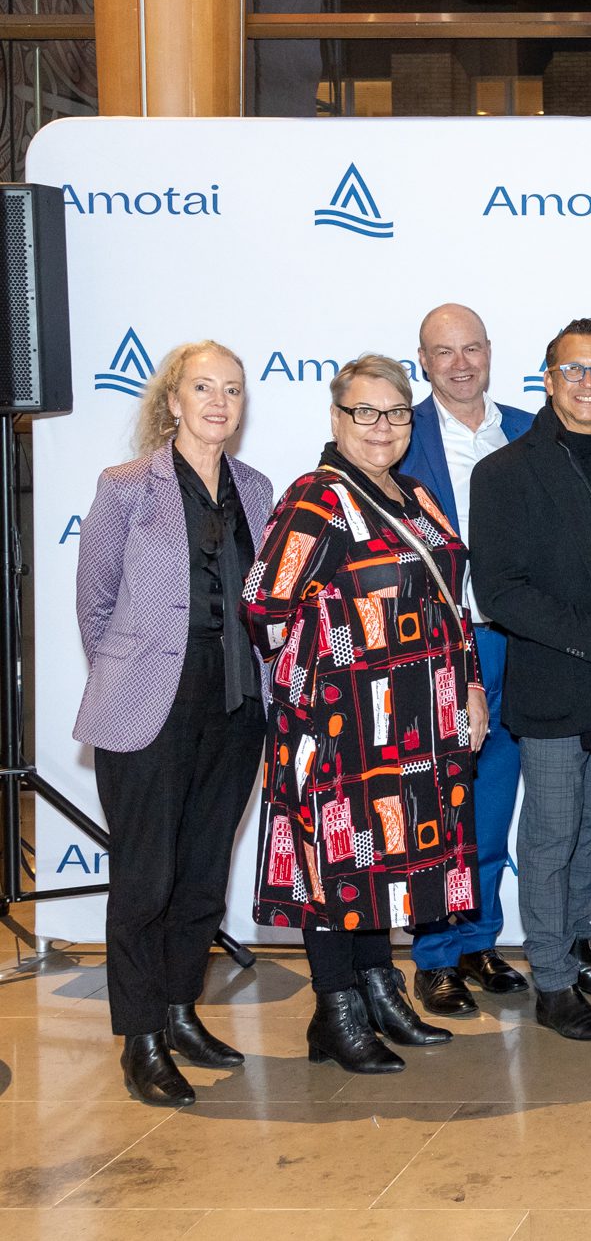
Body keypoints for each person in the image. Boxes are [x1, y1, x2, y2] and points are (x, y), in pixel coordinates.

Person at [244, 354, 487, 1075]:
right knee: (336, 867)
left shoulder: (415, 497)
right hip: (341, 724)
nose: (383, 426)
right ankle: (336, 1008)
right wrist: (331, 676)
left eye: (397, 412)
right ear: (336, 418)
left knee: (381, 863)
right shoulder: (314, 500)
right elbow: (264, 607)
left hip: (414, 725)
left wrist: (467, 688)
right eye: (366, 412)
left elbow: (454, 605)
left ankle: (380, 988)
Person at [75, 342, 276, 1106]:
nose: (219, 401)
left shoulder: (258, 490)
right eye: (203, 387)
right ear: (174, 401)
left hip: (236, 708)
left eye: (232, 389)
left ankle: (181, 1010)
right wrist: (129, 681)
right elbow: (95, 606)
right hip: (148, 713)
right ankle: (142, 1039)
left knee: (200, 877)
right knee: (145, 880)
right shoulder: (125, 488)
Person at [468, 319, 591, 1043]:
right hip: (555, 687)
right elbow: (501, 590)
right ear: (546, 381)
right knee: (550, 835)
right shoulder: (506, 471)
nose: (587, 382)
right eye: (572, 370)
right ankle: (550, 980)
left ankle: (574, 949)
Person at [395, 302, 534, 1017]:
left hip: (518, 642)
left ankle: (479, 939)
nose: (459, 363)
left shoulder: (528, 429)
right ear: (422, 360)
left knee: (493, 800)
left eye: (470, 348)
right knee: (437, 807)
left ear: (489, 351)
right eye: (442, 351)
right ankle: (435, 955)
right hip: (440, 646)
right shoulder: (399, 434)